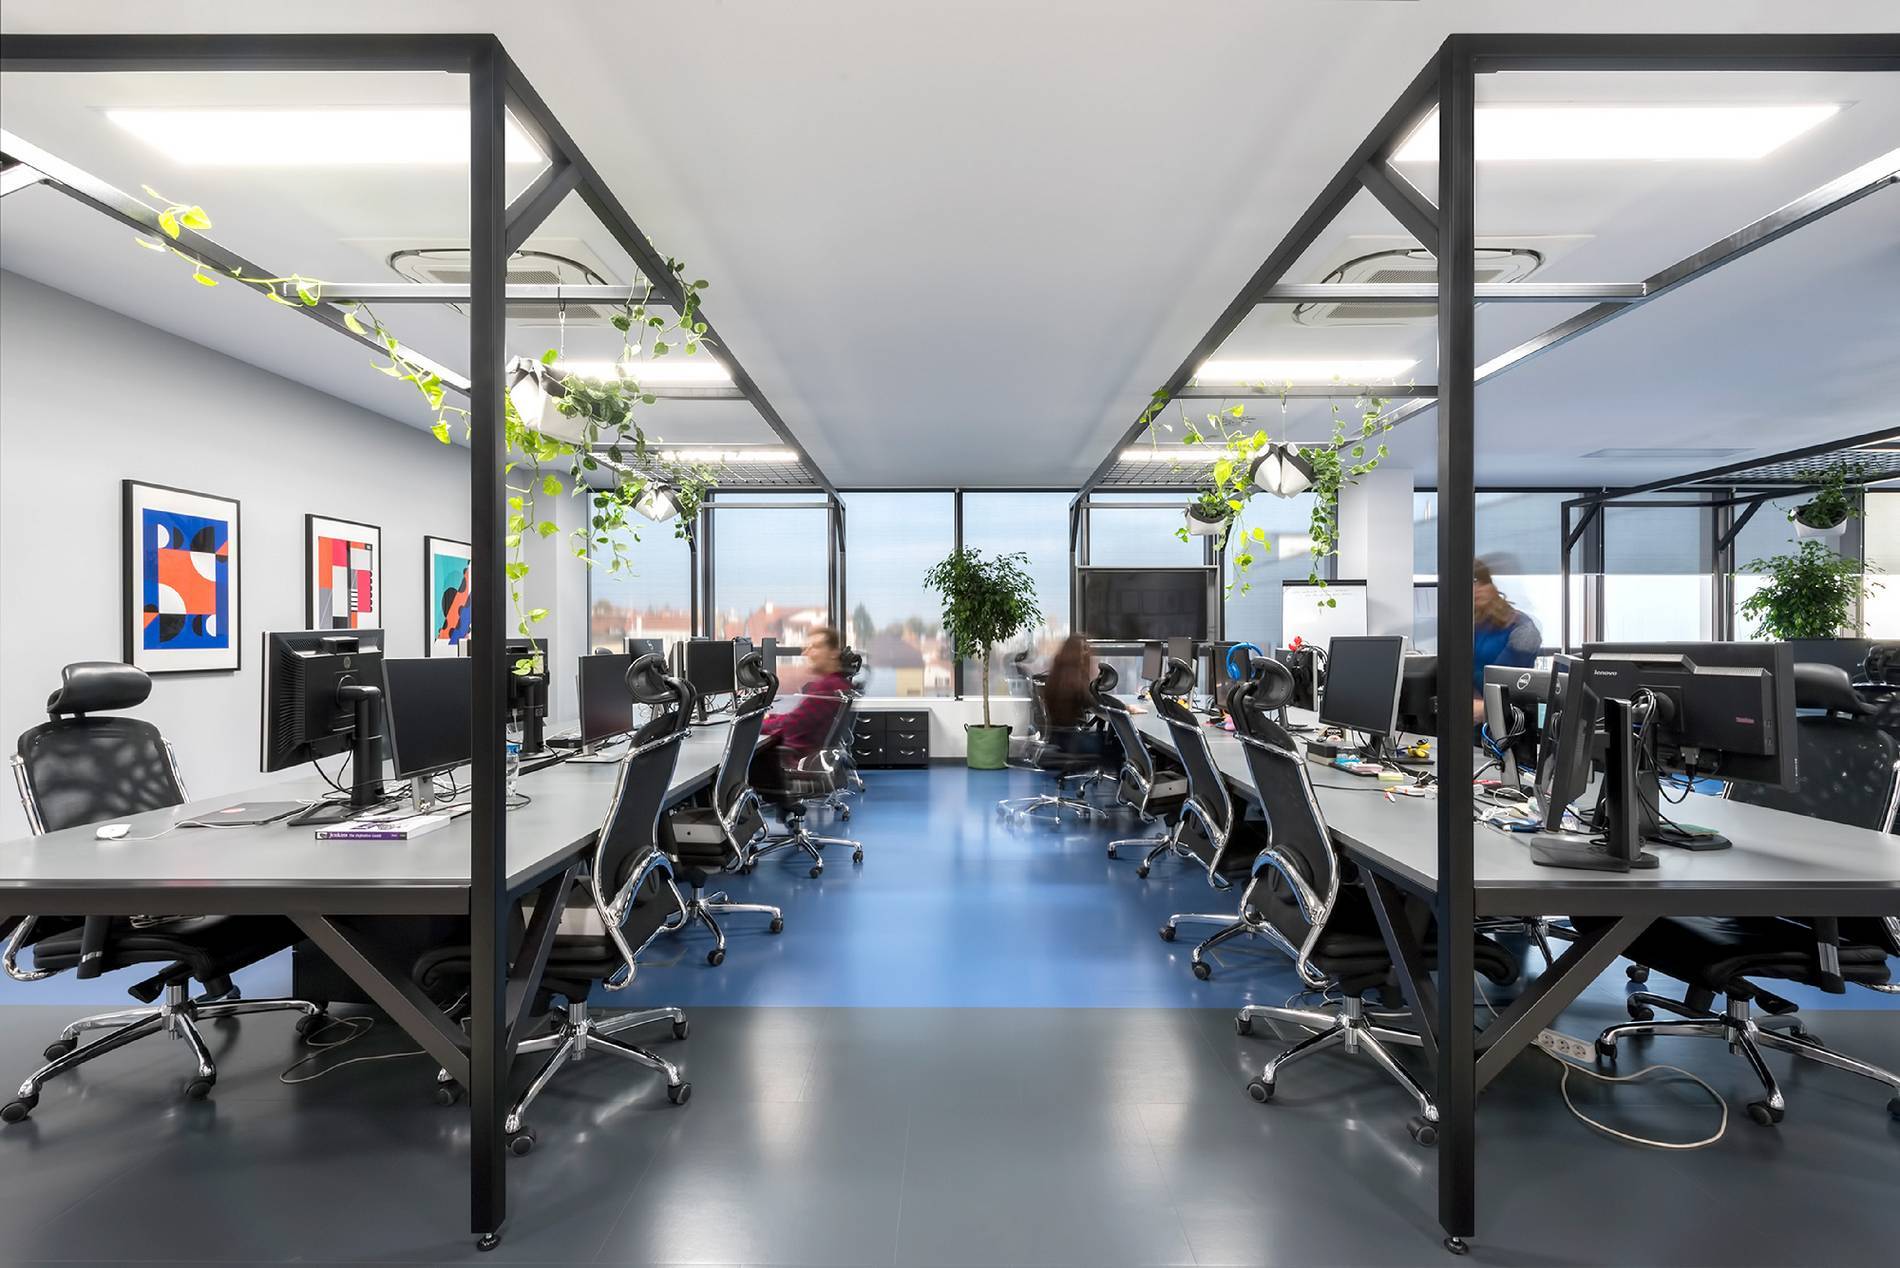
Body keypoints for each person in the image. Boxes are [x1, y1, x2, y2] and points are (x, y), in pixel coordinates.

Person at [761, 626, 852, 759]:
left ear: (834, 653)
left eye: (815, 647)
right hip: (812, 757)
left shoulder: (827, 687)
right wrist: (771, 717)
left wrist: (757, 725)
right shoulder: (838, 684)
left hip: (797, 759)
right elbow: (799, 718)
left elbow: (792, 724)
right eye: (806, 648)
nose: (806, 653)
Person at [1471, 557, 1541, 722]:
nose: (1477, 589)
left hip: (1509, 720)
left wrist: (1486, 707)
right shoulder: (1468, 625)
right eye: (1472, 583)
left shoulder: (1523, 628)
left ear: (1493, 586)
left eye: (1482, 582)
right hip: (1470, 716)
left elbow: (1510, 682)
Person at [1042, 633, 1097, 730]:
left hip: (1057, 730)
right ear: (1074, 651)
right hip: (1071, 731)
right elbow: (1088, 701)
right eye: (1083, 649)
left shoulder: (1059, 670)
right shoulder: (1072, 674)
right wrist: (1112, 707)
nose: (1085, 652)